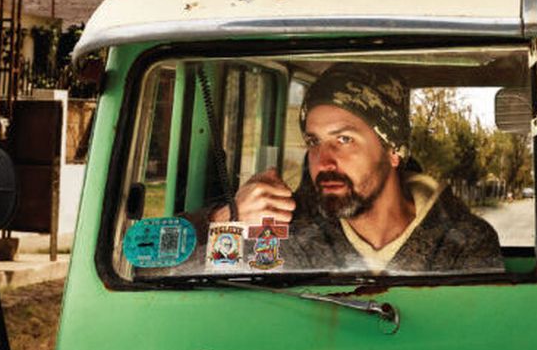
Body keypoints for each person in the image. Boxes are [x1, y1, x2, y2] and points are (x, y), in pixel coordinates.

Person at [211, 63, 503, 274]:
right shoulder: (285, 227)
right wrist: (225, 219)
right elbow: (184, 279)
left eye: (344, 139)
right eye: (314, 141)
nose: (323, 161)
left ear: (393, 151)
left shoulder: (464, 242)